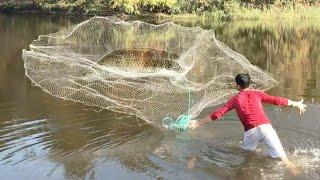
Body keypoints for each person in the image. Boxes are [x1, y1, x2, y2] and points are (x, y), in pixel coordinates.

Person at [188, 73, 307, 175]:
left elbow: (218, 114)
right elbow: (276, 100)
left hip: (250, 132)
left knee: (248, 156)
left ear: (238, 85)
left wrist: (199, 122)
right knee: (285, 161)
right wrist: (296, 104)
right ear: (248, 84)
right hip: (266, 128)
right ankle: (296, 174)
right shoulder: (257, 93)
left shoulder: (235, 99)